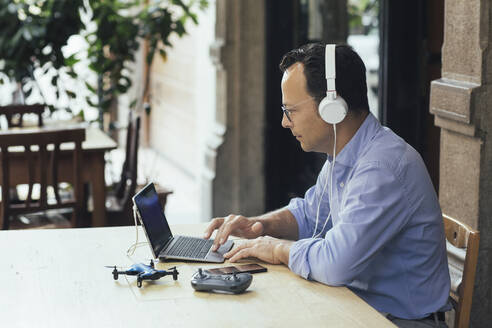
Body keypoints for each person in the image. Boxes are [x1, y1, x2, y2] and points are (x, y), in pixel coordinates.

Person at [203, 43, 450, 327]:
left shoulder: (381, 167)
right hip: (357, 308)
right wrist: (260, 225)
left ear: (332, 107)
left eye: (290, 110)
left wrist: (276, 249)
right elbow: (311, 214)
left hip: (399, 321)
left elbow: (335, 264)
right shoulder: (346, 153)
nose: (284, 122)